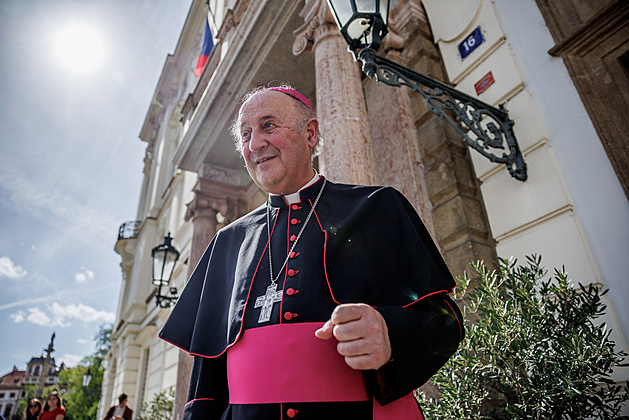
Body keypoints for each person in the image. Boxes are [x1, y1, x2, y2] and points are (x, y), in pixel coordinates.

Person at [159, 84, 464, 419]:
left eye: (268, 126)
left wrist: (390, 334)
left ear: (310, 133)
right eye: (245, 134)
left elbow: (444, 321)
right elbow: (206, 383)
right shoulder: (227, 242)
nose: (255, 144)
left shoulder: (378, 208)